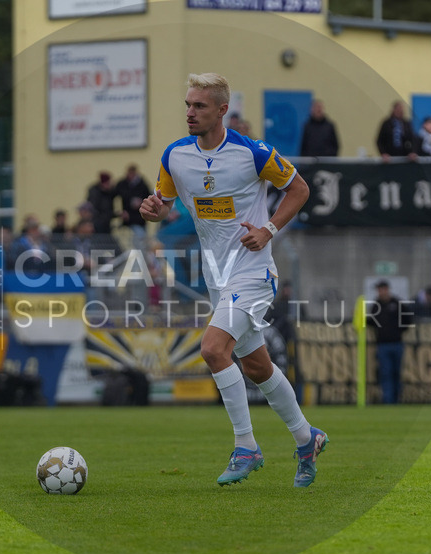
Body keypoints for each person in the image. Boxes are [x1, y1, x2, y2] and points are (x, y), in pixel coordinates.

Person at [140, 72, 327, 488]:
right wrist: (153, 209)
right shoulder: (175, 156)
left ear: (222, 110)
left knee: (212, 348)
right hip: (217, 276)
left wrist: (269, 230)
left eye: (199, 106)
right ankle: (306, 438)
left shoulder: (253, 152)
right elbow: (164, 205)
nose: (190, 113)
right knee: (257, 366)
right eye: (188, 104)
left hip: (255, 270)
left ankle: (247, 446)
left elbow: (299, 189)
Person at [371, 279, 409, 404]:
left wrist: (397, 332)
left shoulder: (397, 303)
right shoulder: (376, 305)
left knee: (396, 373)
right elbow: (372, 322)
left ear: (387, 289)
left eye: (382, 289)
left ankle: (396, 399)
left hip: (397, 343)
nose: (380, 292)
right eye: (378, 290)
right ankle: (388, 400)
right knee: (386, 373)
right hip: (382, 345)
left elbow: (407, 320)